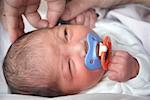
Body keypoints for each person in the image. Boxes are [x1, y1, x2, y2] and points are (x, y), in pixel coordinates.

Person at [3, 4, 150, 97]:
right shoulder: (106, 90)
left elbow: (105, 9)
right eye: (69, 65)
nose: (80, 47)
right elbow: (144, 91)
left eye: (66, 34)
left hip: (135, 12)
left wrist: (92, 13)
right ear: (70, 94)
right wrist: (135, 71)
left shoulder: (90, 27)